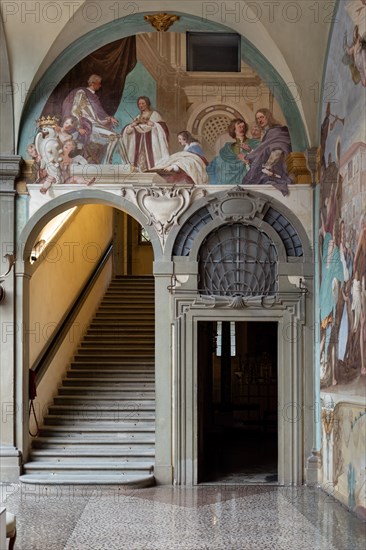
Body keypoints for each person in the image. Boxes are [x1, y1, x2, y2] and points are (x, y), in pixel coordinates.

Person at [62, 74, 119, 163]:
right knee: (115, 137)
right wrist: (79, 127)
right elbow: (75, 110)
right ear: (93, 83)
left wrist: (109, 119)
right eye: (99, 84)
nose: (100, 86)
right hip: (88, 126)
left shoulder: (94, 97)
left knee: (115, 137)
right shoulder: (82, 92)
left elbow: (98, 116)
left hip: (95, 124)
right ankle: (107, 163)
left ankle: (107, 162)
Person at [242, 108, 292, 196]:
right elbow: (263, 148)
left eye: (262, 117)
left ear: (268, 117)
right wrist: (251, 152)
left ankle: (270, 168)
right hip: (270, 156)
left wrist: (252, 154)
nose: (260, 120)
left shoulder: (277, 130)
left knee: (278, 145)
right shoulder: (266, 132)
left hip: (281, 157)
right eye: (257, 118)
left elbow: (278, 142)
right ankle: (268, 169)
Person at [121, 96, 169, 171]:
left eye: (143, 103)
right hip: (139, 144)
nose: (141, 105)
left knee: (151, 163)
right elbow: (129, 132)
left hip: (151, 144)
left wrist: (153, 124)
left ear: (147, 103)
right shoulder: (138, 117)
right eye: (139, 104)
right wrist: (132, 126)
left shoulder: (155, 114)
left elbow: (163, 128)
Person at [207, 118, 260, 185]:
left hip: (248, 180)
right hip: (229, 182)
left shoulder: (255, 143)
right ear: (233, 129)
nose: (242, 128)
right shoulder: (228, 147)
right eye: (239, 127)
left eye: (243, 127)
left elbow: (261, 160)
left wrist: (248, 156)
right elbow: (219, 163)